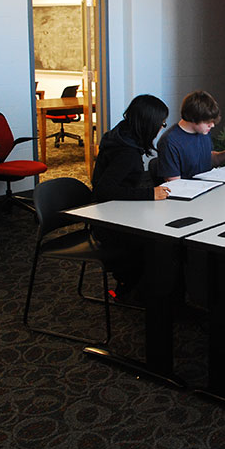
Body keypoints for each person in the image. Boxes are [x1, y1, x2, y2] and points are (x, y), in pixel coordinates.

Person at [91, 94, 170, 301]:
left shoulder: (122, 135)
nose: (162, 127)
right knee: (160, 242)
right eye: (161, 123)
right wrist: (149, 194)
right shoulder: (126, 152)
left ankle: (137, 286)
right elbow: (103, 191)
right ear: (148, 124)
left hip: (115, 213)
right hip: (109, 224)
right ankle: (140, 292)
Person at [156, 90, 225, 181]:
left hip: (208, 187)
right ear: (193, 118)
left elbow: (205, 158)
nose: (212, 125)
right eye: (208, 122)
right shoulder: (169, 142)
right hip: (188, 192)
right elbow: (174, 184)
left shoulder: (203, 131)